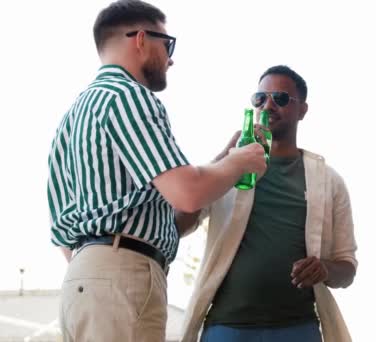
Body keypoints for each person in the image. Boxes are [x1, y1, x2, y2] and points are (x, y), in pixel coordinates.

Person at [46, 1, 266, 341]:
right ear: (140, 40)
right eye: (168, 44)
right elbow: (189, 193)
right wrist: (241, 162)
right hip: (123, 278)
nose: (171, 58)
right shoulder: (129, 97)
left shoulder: (71, 118)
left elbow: (63, 233)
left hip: (82, 280)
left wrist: (223, 158)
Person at [181, 65, 358, 342]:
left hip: (298, 328)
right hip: (226, 327)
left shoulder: (328, 180)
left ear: (303, 110)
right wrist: (225, 157)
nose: (269, 104)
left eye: (281, 98)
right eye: (260, 98)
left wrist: (324, 268)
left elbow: (347, 269)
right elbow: (180, 222)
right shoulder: (229, 168)